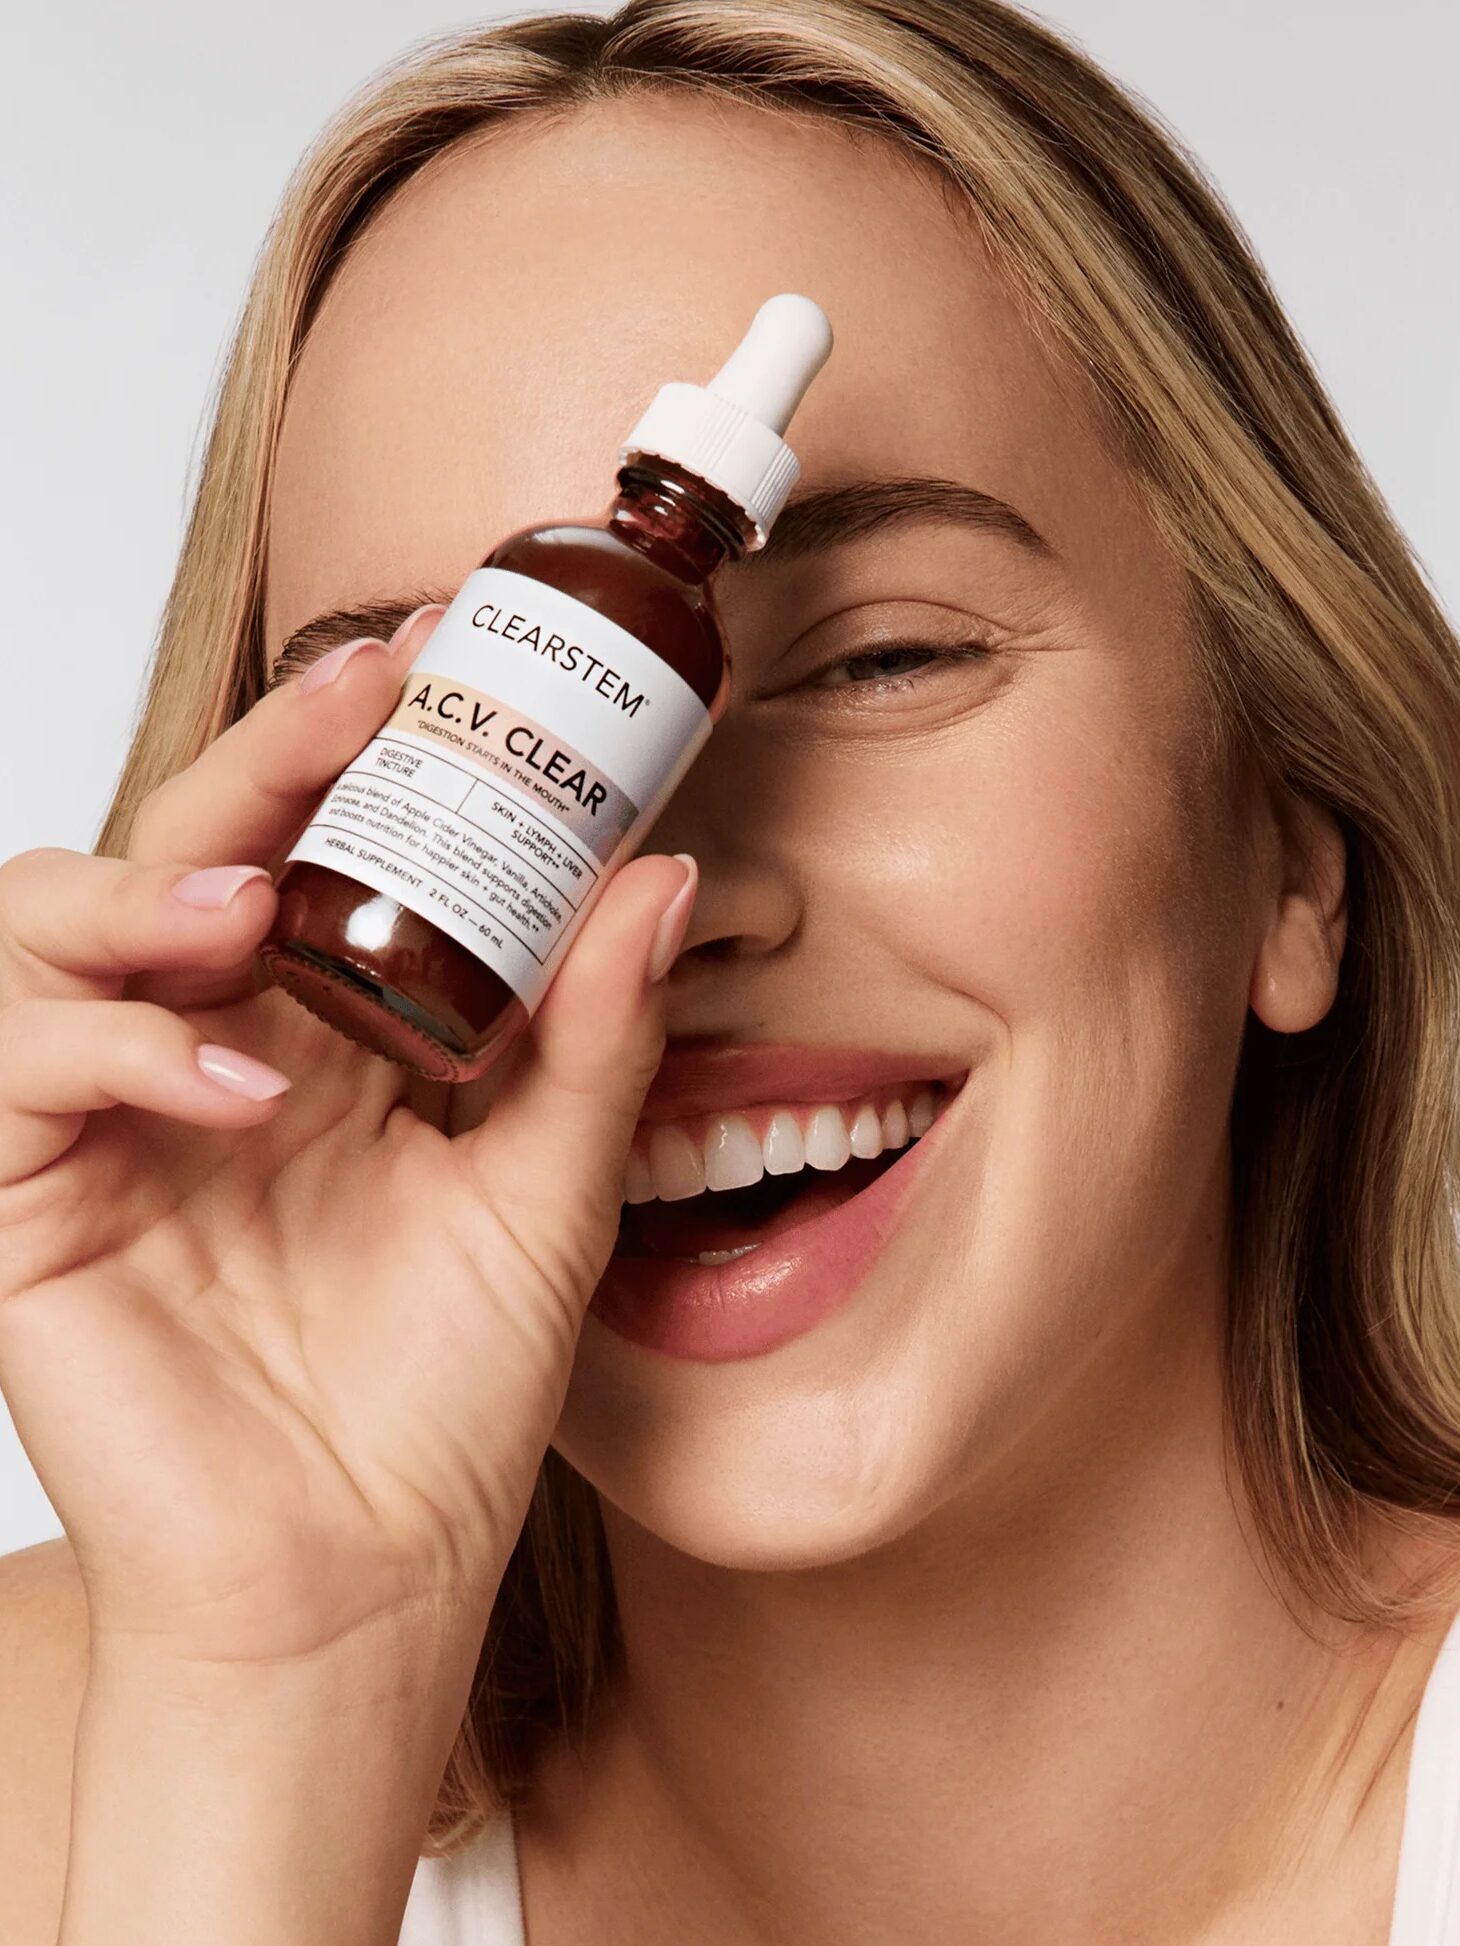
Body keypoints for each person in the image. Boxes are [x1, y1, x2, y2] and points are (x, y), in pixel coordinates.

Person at [3, 2, 1459, 1940]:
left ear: (1287, 843)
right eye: (463, 744)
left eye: (881, 661)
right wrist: (279, 1697)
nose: (652, 896)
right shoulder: (83, 1769)